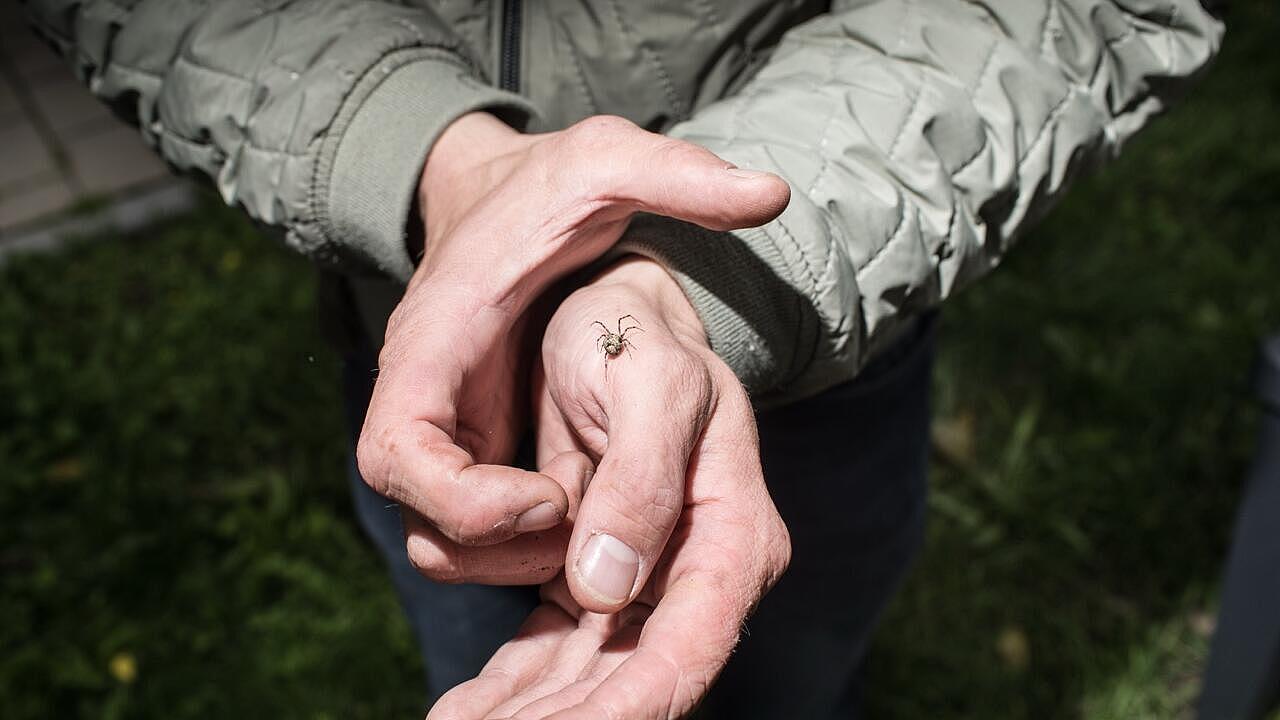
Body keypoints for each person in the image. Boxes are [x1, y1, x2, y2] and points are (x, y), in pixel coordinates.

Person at [22, 0, 1223, 717]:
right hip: (433, 355)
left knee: (785, 676)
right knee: (487, 633)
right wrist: (428, 159)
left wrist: (702, 281)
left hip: (811, 335)